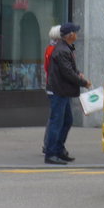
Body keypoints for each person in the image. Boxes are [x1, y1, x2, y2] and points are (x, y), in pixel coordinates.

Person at [44, 22, 90, 165]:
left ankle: (58, 149)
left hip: (61, 90)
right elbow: (68, 72)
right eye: (75, 32)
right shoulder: (62, 50)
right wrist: (83, 82)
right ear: (70, 35)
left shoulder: (65, 48)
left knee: (66, 121)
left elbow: (70, 69)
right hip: (58, 90)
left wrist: (78, 74)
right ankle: (51, 153)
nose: (77, 34)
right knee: (57, 122)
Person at [41, 24, 61, 156]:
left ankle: (49, 143)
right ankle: (49, 145)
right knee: (55, 118)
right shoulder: (55, 50)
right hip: (56, 87)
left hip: (52, 86)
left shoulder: (50, 48)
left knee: (55, 117)